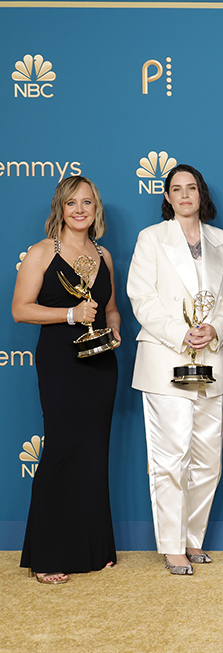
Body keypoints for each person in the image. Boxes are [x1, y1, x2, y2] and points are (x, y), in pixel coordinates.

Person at [126, 164, 223, 575]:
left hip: (213, 357)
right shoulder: (151, 238)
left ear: (201, 193)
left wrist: (213, 327)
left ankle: (193, 540)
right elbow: (141, 298)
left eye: (191, 187)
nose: (184, 195)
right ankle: (172, 546)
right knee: (170, 456)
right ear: (167, 196)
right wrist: (182, 333)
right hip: (165, 360)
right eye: (176, 189)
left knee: (209, 461)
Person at [13, 176, 120, 584]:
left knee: (94, 452)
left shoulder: (103, 256)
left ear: (97, 210)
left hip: (101, 363)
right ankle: (46, 554)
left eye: (87, 203)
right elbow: (21, 310)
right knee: (61, 449)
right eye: (72, 202)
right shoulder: (42, 253)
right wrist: (70, 315)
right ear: (60, 207)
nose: (80, 210)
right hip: (60, 361)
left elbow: (110, 308)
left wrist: (113, 327)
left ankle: (94, 547)